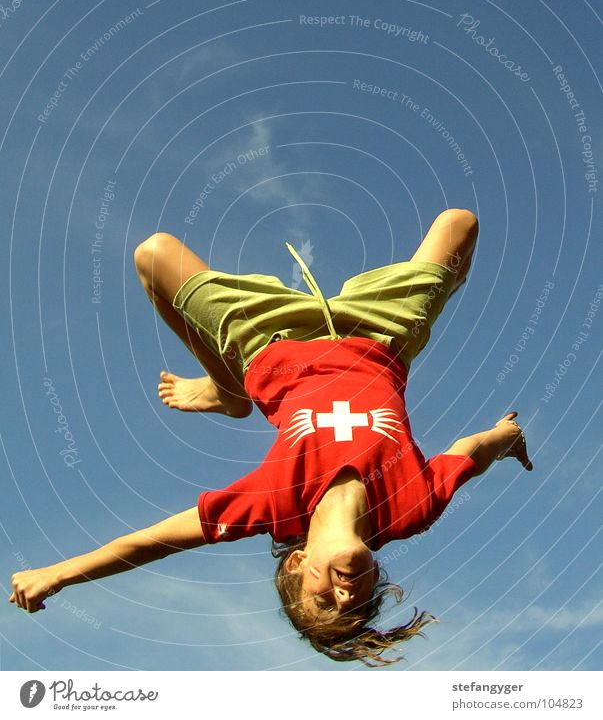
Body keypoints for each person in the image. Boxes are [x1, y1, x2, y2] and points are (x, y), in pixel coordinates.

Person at [9, 209, 532, 666]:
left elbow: (152, 542)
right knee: (460, 223)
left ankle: (228, 390)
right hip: (381, 333)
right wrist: (506, 436)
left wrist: (60, 573)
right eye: (359, 602)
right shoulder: (410, 507)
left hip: (269, 342)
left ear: (299, 564)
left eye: (325, 600)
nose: (346, 593)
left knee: (153, 255)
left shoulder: (274, 506)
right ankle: (231, 392)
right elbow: (469, 455)